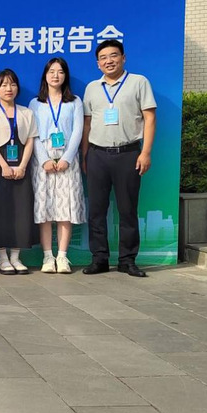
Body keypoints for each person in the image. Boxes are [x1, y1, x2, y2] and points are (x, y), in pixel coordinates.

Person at [82, 39, 156, 277]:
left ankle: (127, 260)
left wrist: (145, 152)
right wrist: (85, 155)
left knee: (127, 210)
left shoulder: (139, 82)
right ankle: (99, 259)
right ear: (98, 63)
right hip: (97, 154)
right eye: (103, 58)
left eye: (113, 55)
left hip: (128, 154)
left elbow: (150, 118)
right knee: (96, 210)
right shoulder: (92, 87)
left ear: (123, 58)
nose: (109, 61)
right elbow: (87, 123)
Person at [29, 58, 86, 274]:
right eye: (51, 71)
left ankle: (62, 256)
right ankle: (47, 256)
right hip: (42, 160)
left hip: (67, 159)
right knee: (44, 210)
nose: (55, 75)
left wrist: (67, 158)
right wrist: (43, 159)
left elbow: (78, 131)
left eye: (60, 72)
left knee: (65, 209)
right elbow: (33, 134)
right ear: (45, 75)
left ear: (65, 76)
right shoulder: (35, 103)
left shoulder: (75, 102)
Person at [0, 69, 38, 274]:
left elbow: (31, 140)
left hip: (21, 166)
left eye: (12, 84)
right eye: (4, 85)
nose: (8, 89)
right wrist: (3, 166)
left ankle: (16, 257)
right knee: (0, 212)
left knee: (21, 211)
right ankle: (2, 258)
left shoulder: (26, 112)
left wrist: (23, 166)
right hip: (0, 166)